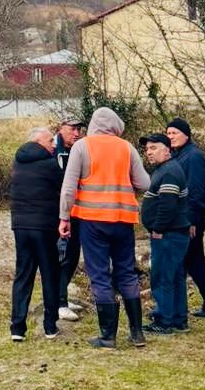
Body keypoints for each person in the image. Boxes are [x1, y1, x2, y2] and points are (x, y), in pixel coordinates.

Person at [58, 107, 150, 349]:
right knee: (127, 272)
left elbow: (68, 188)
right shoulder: (126, 147)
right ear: (116, 126)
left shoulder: (82, 146)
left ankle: (108, 336)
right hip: (123, 219)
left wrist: (64, 217)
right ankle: (137, 333)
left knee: (99, 275)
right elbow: (144, 183)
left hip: (92, 220)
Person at [8, 127, 63, 342]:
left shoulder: (18, 162)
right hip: (44, 226)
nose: (53, 144)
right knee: (50, 274)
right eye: (50, 141)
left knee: (23, 274)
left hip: (20, 226)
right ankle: (50, 326)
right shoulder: (50, 164)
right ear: (39, 142)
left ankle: (17, 328)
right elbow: (63, 187)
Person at [165, 117, 205, 318]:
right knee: (193, 262)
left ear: (186, 135)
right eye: (168, 133)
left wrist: (192, 220)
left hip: (190, 220)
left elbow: (196, 191)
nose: (171, 137)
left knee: (188, 261)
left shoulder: (193, 156)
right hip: (183, 218)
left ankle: (177, 308)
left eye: (175, 133)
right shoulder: (178, 155)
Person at [140, 134, 192, 334]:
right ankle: (178, 319)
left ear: (166, 150)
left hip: (168, 235)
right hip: (175, 233)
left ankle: (164, 321)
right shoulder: (166, 169)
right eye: (147, 149)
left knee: (162, 277)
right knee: (175, 276)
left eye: (153, 148)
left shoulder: (169, 172)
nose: (149, 152)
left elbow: (168, 206)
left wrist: (158, 229)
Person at [53, 119, 85, 321]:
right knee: (63, 256)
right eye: (72, 129)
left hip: (76, 211)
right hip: (60, 214)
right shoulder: (53, 150)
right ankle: (59, 302)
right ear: (61, 129)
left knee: (73, 256)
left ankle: (62, 295)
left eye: (79, 129)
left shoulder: (76, 150)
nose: (76, 133)